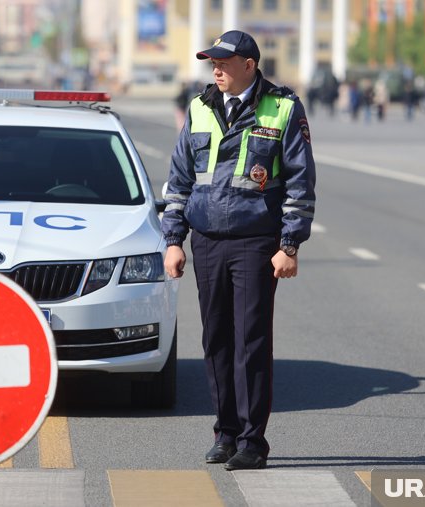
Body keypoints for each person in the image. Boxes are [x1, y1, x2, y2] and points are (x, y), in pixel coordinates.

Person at [161, 30, 316, 471]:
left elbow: (300, 183)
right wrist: (173, 240)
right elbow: (179, 181)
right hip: (207, 240)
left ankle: (252, 440)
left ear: (249, 64)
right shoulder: (199, 107)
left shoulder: (283, 108)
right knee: (216, 340)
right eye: (212, 62)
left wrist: (289, 244)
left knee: (250, 338)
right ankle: (225, 432)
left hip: (255, 242)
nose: (216, 69)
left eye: (224, 62)